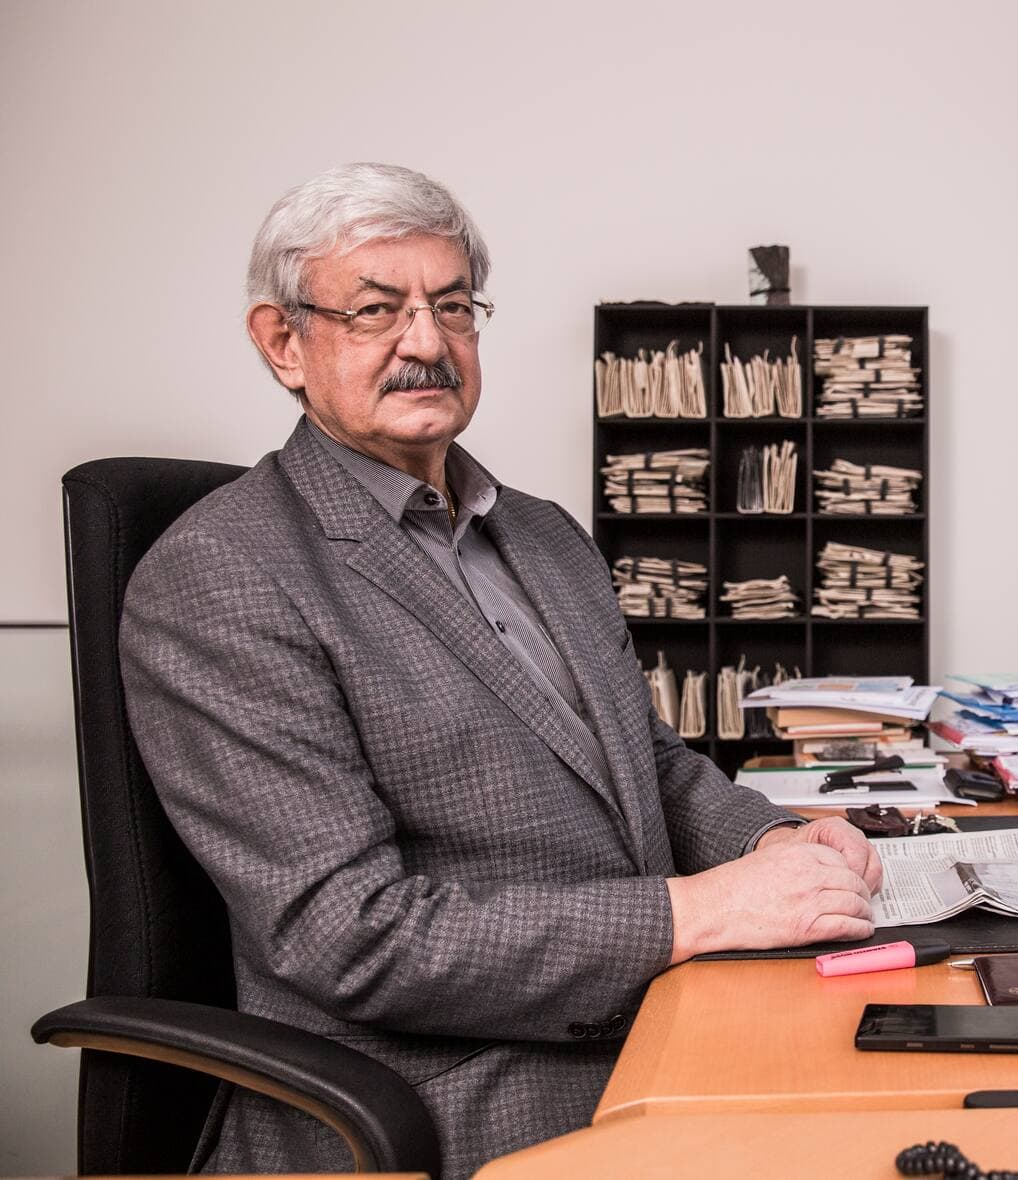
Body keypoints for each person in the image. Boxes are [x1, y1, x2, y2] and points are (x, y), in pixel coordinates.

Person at [119, 162, 881, 1178]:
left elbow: (646, 768)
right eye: (376, 311)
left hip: (647, 1007)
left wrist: (783, 841)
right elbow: (351, 936)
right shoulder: (222, 577)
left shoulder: (544, 534)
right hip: (446, 1085)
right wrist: (698, 912)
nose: (426, 343)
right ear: (282, 343)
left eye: (451, 307)